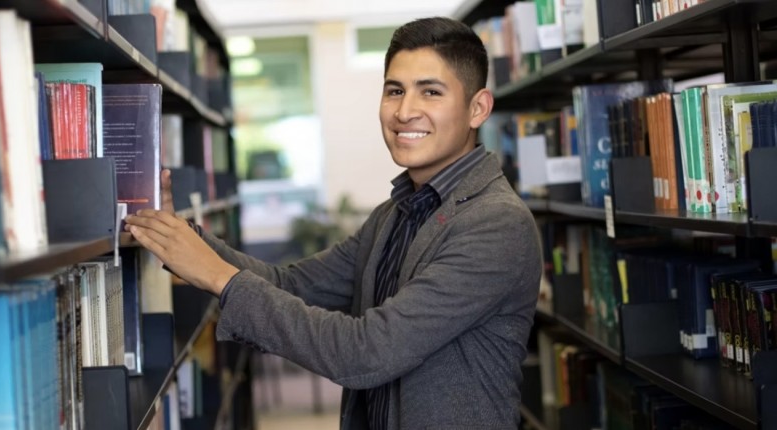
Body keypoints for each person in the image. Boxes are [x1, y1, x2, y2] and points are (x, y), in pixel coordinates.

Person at [125, 16, 541, 430]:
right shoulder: (393, 215)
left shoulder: (496, 223)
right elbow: (289, 285)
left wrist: (219, 277)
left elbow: (367, 352)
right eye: (395, 91)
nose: (404, 111)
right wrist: (177, 236)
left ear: (477, 108)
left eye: (430, 92)